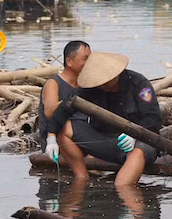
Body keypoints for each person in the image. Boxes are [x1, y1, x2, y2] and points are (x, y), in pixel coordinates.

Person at [48, 51, 160, 190]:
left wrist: (135, 133)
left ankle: (125, 198)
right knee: (64, 128)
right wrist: (51, 137)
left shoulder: (138, 83)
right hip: (104, 139)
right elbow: (63, 110)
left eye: (106, 81)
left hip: (137, 143)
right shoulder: (90, 88)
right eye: (99, 82)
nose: (103, 85)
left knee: (135, 159)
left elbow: (153, 118)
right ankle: (81, 178)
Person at [40, 40, 91, 178]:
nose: (89, 63)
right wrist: (74, 100)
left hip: (83, 135)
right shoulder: (53, 83)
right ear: (69, 61)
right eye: (85, 59)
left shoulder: (86, 85)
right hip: (59, 136)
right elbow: (50, 112)